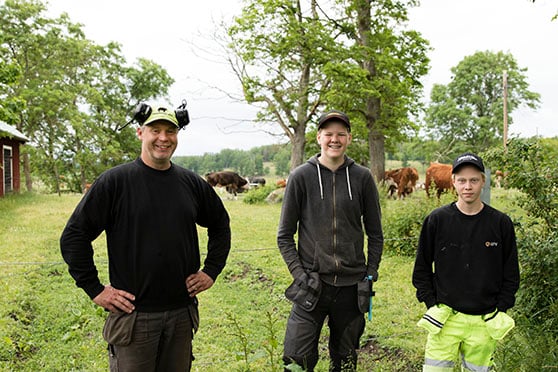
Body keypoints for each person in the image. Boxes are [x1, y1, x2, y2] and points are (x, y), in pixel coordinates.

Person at [60, 104, 231, 372]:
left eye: (170, 131)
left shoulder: (191, 183)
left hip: (181, 314)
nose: (163, 138)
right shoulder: (114, 182)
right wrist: (94, 289)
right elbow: (74, 235)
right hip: (133, 318)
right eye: (155, 130)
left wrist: (211, 270)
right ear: (141, 133)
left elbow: (220, 224)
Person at [277, 110, 383, 371]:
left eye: (340, 134)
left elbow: (376, 233)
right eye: (328, 134)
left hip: (351, 286)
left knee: (345, 359)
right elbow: (284, 235)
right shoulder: (301, 177)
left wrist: (369, 274)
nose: (334, 139)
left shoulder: (362, 178)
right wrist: (300, 274)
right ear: (318, 138)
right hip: (312, 284)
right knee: (296, 359)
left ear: (348, 138)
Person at [412, 152, 520, 372]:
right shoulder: (437, 220)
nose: (467, 186)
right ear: (453, 182)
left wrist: (501, 307)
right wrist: (432, 304)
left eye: (473, 180)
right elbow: (421, 269)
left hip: (484, 319)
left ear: (483, 181)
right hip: (445, 319)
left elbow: (511, 273)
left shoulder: (500, 223)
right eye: (461, 180)